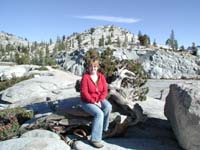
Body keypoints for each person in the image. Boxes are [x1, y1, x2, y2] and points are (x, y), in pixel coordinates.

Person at [80, 57, 112, 148]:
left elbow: (105, 90)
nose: (93, 68)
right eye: (91, 66)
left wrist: (100, 99)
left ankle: (104, 129)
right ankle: (95, 139)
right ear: (88, 67)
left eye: (95, 66)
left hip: (99, 99)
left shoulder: (101, 76)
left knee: (108, 106)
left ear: (97, 67)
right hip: (87, 101)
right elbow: (84, 93)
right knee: (99, 114)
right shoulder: (85, 78)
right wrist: (94, 101)